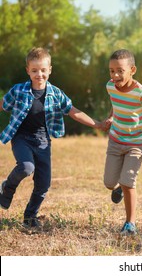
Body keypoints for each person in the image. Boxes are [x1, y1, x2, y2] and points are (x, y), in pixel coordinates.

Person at [0, 47, 102, 228]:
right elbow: (3, 104)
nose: (39, 74)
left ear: (50, 70)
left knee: (43, 184)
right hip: (21, 138)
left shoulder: (56, 94)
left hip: (43, 141)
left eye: (43, 70)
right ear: (28, 71)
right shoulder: (18, 90)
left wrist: (97, 124)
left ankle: (30, 216)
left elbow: (74, 112)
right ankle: (7, 188)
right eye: (34, 70)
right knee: (26, 167)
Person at [103, 49, 142, 236]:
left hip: (136, 143)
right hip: (115, 140)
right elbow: (116, 103)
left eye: (120, 70)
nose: (115, 75)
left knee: (129, 181)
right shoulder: (110, 86)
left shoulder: (141, 93)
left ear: (132, 70)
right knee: (108, 182)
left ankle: (130, 223)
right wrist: (111, 117)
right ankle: (120, 186)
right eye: (112, 71)